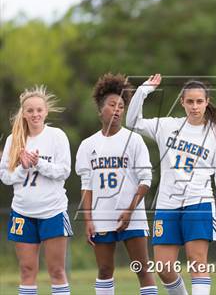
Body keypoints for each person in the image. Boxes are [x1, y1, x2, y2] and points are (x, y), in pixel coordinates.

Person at [126, 74, 216, 295]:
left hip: (199, 203)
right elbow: (132, 122)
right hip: (167, 204)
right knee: (164, 267)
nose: (195, 106)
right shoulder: (166, 126)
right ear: (182, 102)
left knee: (197, 261)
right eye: (190, 101)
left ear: (206, 102)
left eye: (199, 101)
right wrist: (144, 89)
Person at [75, 73, 157, 295]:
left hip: (133, 216)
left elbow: (146, 179)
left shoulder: (134, 140)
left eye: (121, 105)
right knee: (104, 269)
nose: (118, 109)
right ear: (100, 110)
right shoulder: (87, 145)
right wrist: (88, 220)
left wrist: (130, 210)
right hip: (102, 216)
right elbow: (87, 184)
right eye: (112, 105)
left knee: (142, 269)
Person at [0, 86, 72, 295]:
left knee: (56, 271)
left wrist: (38, 163)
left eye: (39, 110)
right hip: (23, 212)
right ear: (23, 113)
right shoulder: (14, 140)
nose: (35, 114)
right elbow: (5, 177)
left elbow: (64, 171)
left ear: (46, 111)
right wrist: (23, 167)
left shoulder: (57, 136)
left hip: (52, 212)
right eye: (30, 110)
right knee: (26, 270)